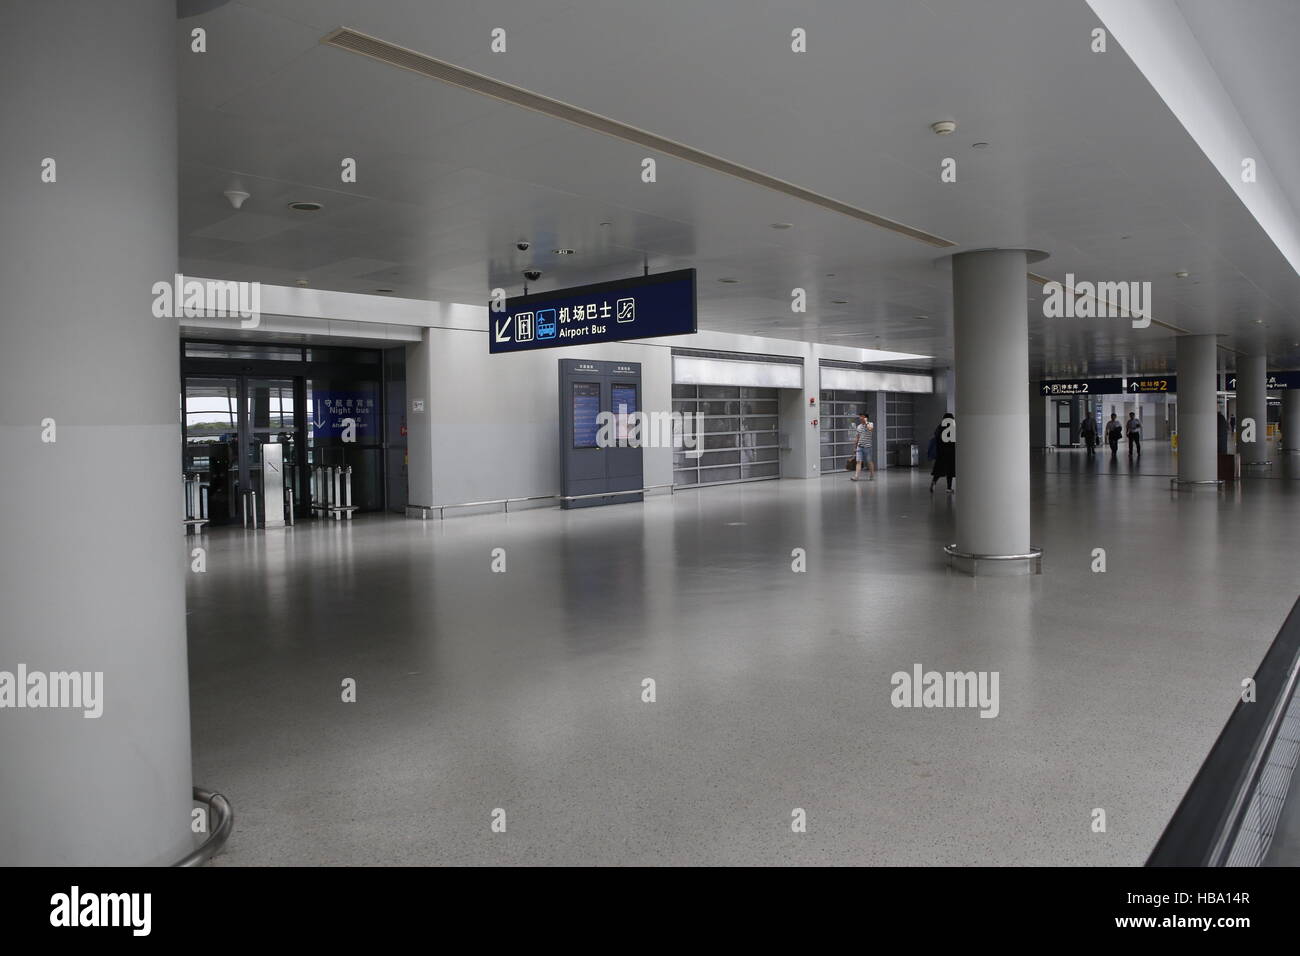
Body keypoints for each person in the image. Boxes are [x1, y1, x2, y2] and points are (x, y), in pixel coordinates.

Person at [930, 413, 955, 493]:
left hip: (941, 453)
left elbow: (936, 437)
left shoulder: (940, 427)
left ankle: (934, 483)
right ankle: (949, 488)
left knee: (938, 470)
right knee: (949, 472)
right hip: (951, 454)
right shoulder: (952, 428)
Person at [851, 412, 875, 481]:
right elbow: (857, 437)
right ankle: (856, 476)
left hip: (868, 447)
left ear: (865, 417)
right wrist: (855, 447)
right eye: (860, 416)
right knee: (858, 461)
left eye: (861, 416)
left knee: (869, 461)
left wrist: (866, 422)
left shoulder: (870, 424)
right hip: (860, 447)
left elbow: (870, 429)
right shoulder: (859, 426)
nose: (860, 418)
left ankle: (872, 475)